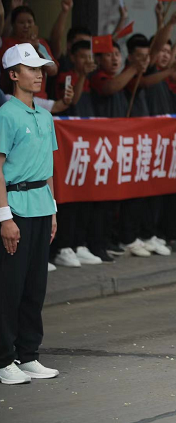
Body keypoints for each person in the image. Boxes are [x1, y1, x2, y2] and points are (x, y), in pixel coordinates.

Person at [0, 43, 60, 384]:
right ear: (13, 74)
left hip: (41, 206)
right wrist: (4, 217)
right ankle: (4, 358)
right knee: (10, 286)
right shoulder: (6, 115)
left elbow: (48, 167)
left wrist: (53, 210)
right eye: (31, 68)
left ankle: (28, 354)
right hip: (16, 208)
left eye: (40, 69)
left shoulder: (45, 116)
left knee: (35, 286)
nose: (39, 74)